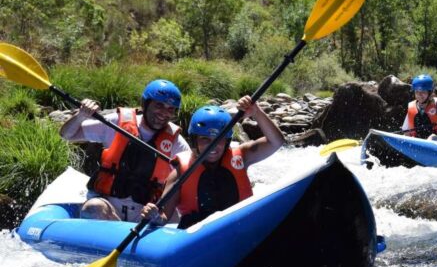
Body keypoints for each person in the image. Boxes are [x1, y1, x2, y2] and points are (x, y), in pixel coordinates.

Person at [140, 96, 285, 228]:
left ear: (227, 141)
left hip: (240, 228)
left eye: (219, 140)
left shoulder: (241, 156)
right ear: (194, 140)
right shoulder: (179, 173)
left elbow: (276, 142)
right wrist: (154, 216)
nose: (213, 146)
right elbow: (164, 217)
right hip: (200, 238)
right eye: (205, 139)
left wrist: (256, 112)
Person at [59, 79, 189, 222]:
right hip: (108, 208)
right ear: (145, 104)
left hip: (145, 214)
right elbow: (67, 135)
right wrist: (81, 115)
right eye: (159, 105)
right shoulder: (116, 123)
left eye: (170, 109)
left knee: (175, 218)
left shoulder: (176, 141)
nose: (164, 113)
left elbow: (189, 176)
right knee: (93, 208)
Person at [402, 74, 437, 141]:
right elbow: (406, 131)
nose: (419, 95)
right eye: (417, 92)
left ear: (430, 93)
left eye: (423, 92)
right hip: (419, 143)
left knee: (432, 137)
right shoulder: (412, 108)